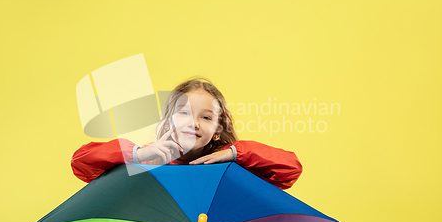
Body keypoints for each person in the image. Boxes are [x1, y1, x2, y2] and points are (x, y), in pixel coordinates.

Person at [71, 77, 302, 190]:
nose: (194, 123)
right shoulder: (148, 161)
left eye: (206, 117)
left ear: (216, 131)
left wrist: (234, 154)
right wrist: (138, 154)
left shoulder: (232, 167)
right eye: (184, 113)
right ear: (168, 119)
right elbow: (82, 163)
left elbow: (290, 169)